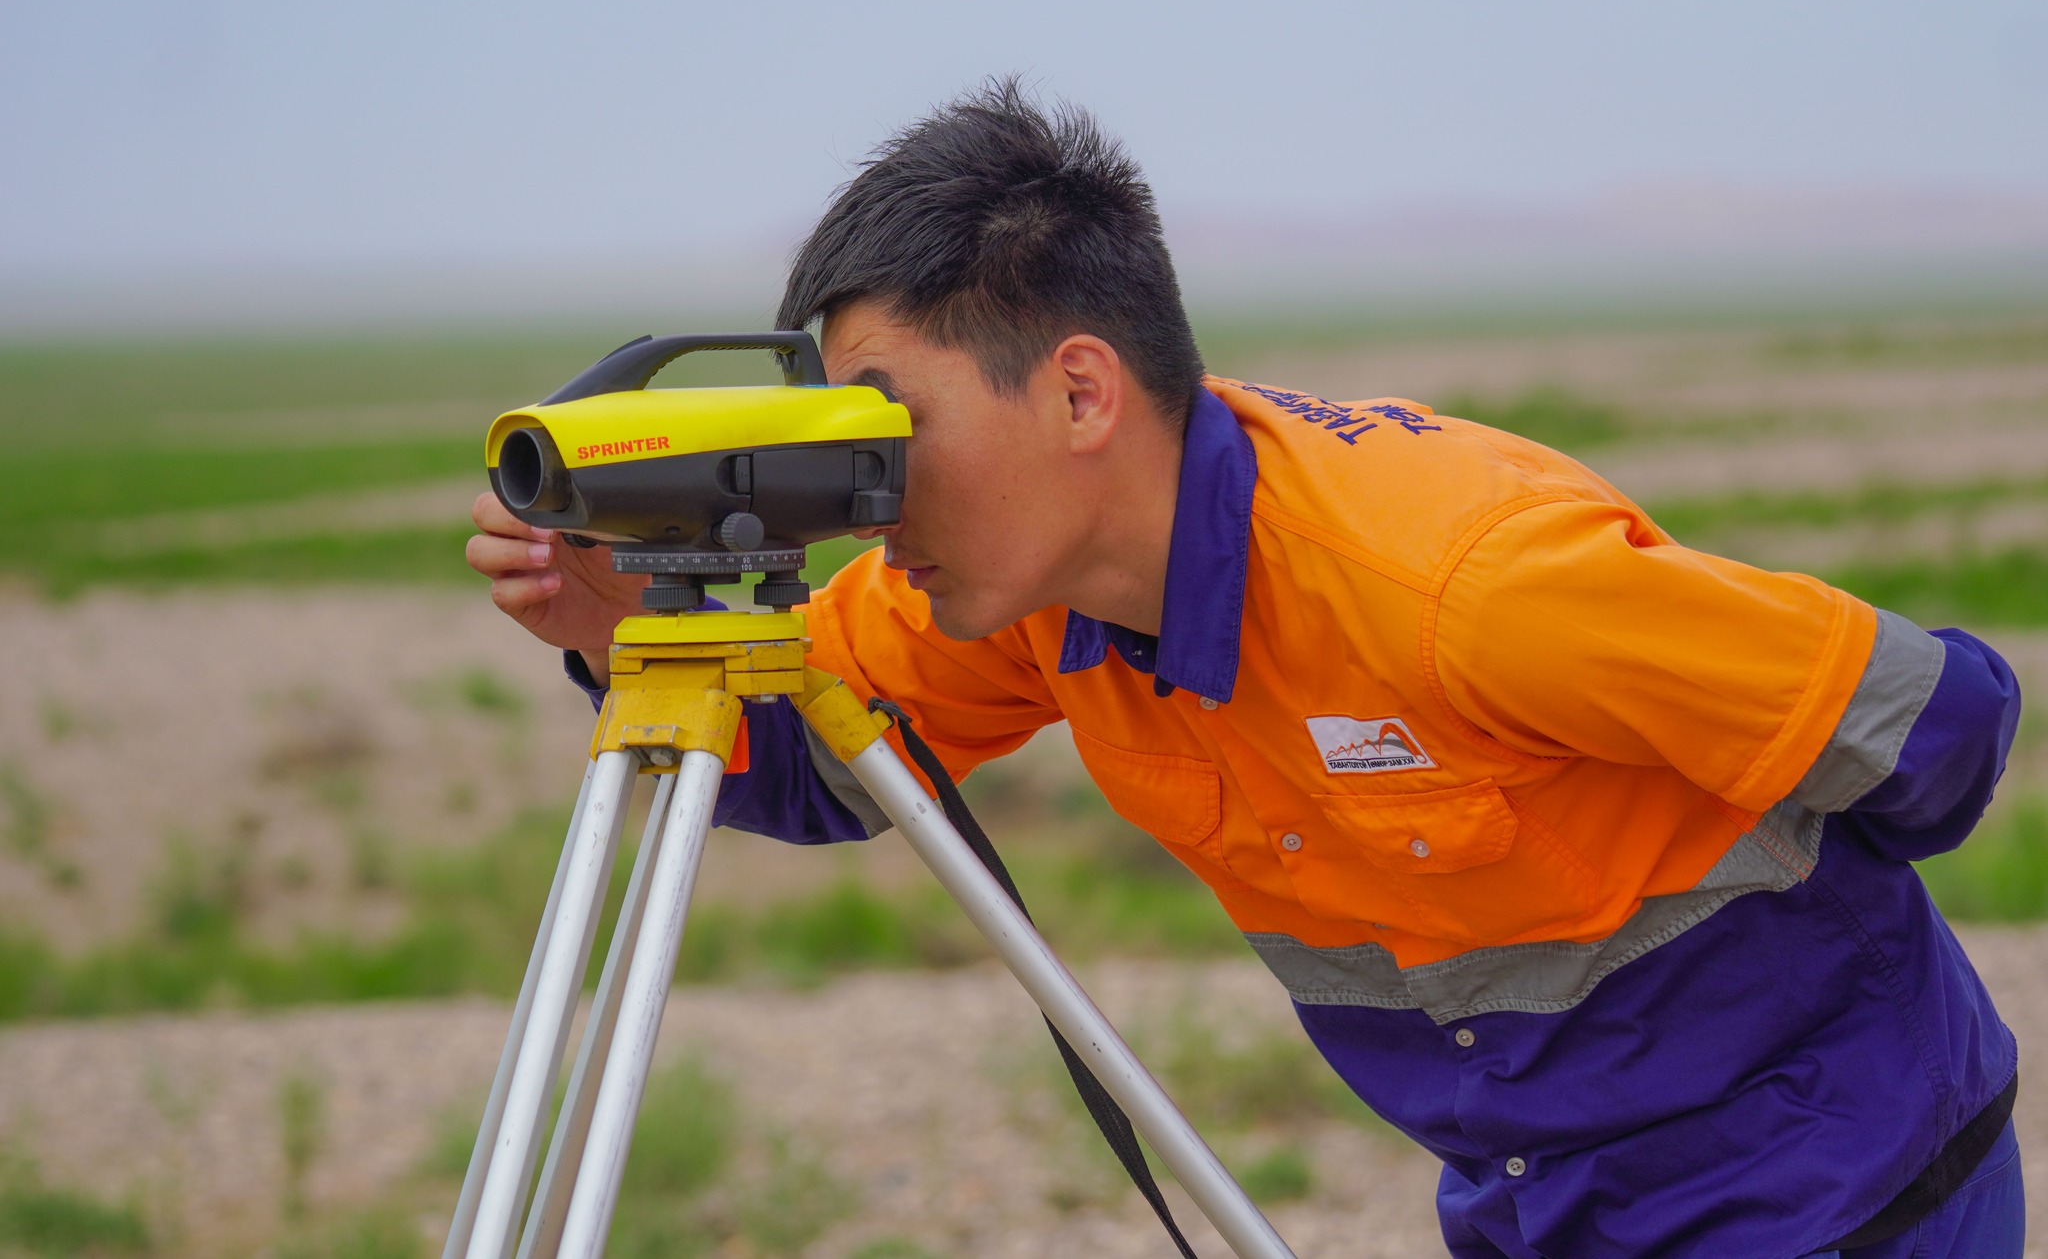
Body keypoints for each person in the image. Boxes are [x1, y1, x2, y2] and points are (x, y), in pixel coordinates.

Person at [467, 80, 2025, 1258]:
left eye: (895, 425)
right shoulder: (1013, 590)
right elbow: (815, 767)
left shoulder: (1461, 583)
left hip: (1836, 1191)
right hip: (1539, 1205)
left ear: (1081, 391)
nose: (871, 496)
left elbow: (1941, 726)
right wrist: (612, 626)